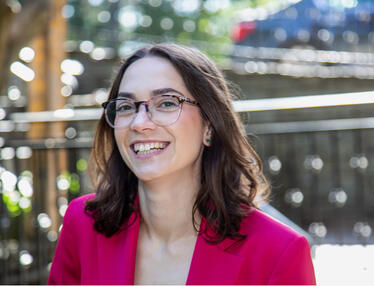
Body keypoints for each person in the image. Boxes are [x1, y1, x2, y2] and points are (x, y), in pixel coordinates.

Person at [48, 43, 316, 285]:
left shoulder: (279, 251)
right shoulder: (81, 224)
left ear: (209, 125)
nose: (140, 123)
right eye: (126, 106)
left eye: (166, 103)